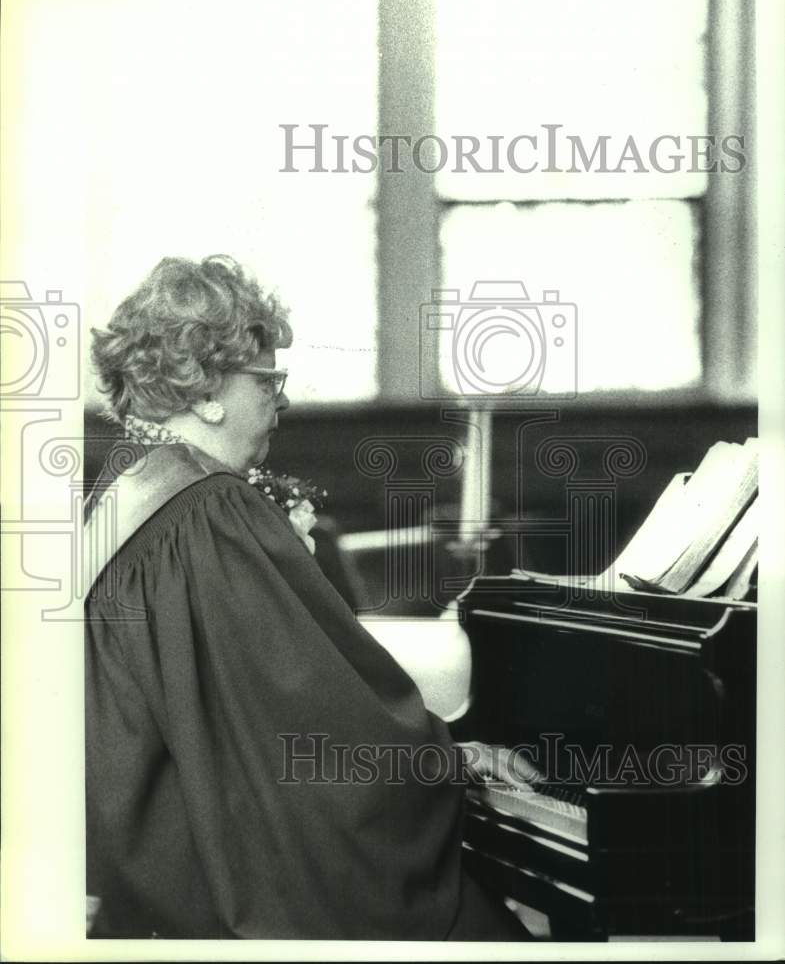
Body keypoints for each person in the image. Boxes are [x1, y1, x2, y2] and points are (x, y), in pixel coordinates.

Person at [84, 254, 530, 940]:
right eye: (267, 380)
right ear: (205, 389)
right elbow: (311, 722)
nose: (282, 400)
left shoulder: (128, 488)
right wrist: (442, 758)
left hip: (142, 858)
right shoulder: (210, 513)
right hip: (210, 890)